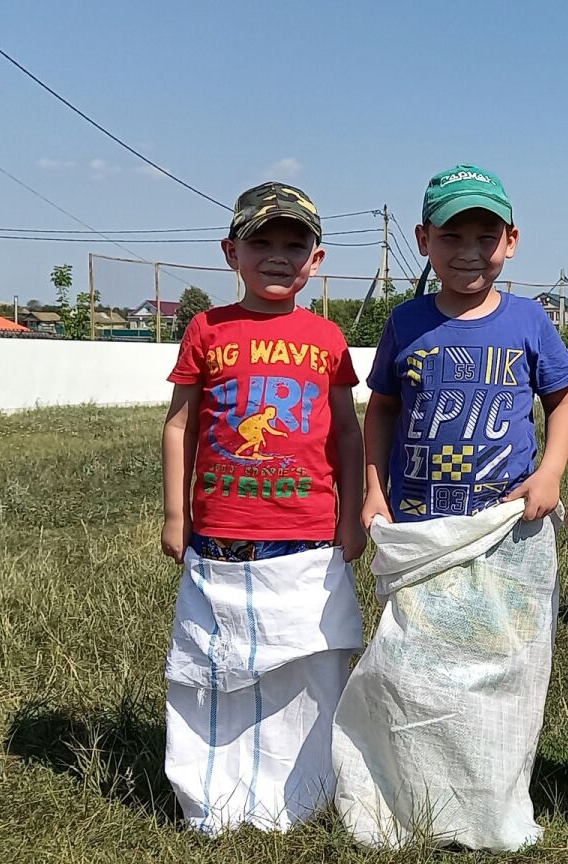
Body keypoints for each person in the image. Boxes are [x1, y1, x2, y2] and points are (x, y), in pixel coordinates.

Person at [335, 164, 568, 850]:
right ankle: (419, 793)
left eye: (486, 234)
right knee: (417, 669)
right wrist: (375, 488)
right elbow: (381, 406)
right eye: (453, 235)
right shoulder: (406, 322)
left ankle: (488, 798)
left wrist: (551, 472)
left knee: (500, 666)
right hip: (425, 528)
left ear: (512, 240)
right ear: (424, 239)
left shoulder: (529, 321)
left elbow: (564, 401)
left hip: (506, 531)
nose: (470, 250)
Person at [158, 181, 365, 831]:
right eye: (262, 242)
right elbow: (178, 425)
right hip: (222, 534)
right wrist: (175, 513)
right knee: (216, 668)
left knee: (304, 667)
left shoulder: (325, 338)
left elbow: (348, 431)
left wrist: (351, 511)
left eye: (294, 243)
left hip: (305, 538)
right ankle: (215, 793)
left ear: (316, 260)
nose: (278, 255)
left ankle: (297, 794)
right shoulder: (207, 329)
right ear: (231, 252)